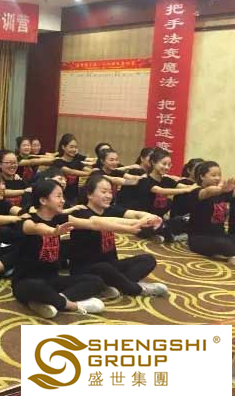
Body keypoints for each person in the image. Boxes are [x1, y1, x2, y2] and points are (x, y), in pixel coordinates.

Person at [10, 179, 149, 319]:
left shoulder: (61, 218)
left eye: (63, 196)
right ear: (43, 200)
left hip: (52, 279)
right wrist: (53, 232)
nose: (63, 200)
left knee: (95, 281)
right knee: (37, 287)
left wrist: (131, 227)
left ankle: (51, 301)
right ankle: (72, 305)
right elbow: (36, 227)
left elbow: (94, 224)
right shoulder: (27, 220)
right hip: (25, 281)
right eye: (58, 196)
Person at [69, 175, 168, 298]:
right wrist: (137, 223)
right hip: (86, 269)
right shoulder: (80, 212)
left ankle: (113, 285)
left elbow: (134, 214)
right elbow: (100, 222)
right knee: (105, 269)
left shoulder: (109, 209)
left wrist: (149, 217)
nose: (108, 196)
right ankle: (136, 288)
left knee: (148, 260)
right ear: (89, 194)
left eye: (110, 192)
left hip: (111, 265)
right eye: (103, 192)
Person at [134, 148, 197, 242]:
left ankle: (164, 234)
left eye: (169, 165)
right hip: (146, 219)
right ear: (153, 162)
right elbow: (161, 191)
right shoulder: (144, 180)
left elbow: (185, 186)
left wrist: (199, 186)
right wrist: (186, 190)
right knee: (152, 228)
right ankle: (169, 235)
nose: (167, 167)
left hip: (160, 220)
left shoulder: (166, 180)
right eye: (164, 164)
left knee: (184, 221)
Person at [186, 161, 235, 263]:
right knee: (224, 244)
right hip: (199, 239)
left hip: (220, 235)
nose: (217, 178)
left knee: (226, 242)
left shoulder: (223, 192)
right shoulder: (197, 192)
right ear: (202, 176)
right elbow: (208, 191)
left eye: (219, 175)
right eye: (213, 175)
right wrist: (221, 190)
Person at [52, 134, 92, 206]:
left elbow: (87, 170)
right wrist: (89, 173)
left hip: (74, 198)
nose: (74, 149)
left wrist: (93, 172)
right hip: (60, 196)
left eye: (75, 147)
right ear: (63, 147)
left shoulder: (76, 162)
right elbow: (71, 172)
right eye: (71, 147)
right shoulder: (58, 162)